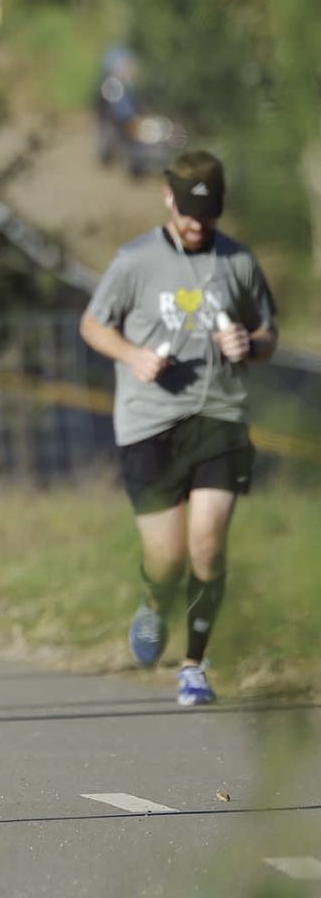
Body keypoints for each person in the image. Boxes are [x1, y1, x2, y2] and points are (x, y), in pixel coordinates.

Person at [78, 151, 276, 706]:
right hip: (149, 423)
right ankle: (154, 599)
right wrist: (133, 356)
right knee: (166, 558)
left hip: (220, 416)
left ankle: (195, 663)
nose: (197, 223)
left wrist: (251, 345)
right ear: (168, 198)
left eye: (207, 214)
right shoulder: (136, 259)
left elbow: (268, 333)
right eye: (189, 212)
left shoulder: (237, 261)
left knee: (208, 541)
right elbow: (92, 324)